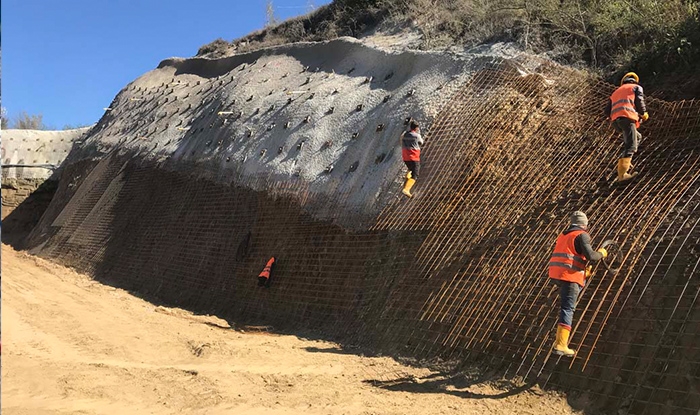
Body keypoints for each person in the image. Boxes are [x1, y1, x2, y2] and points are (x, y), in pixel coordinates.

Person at [548, 211, 608, 357]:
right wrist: (602, 253)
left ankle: (559, 342)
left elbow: (571, 256)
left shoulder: (564, 235)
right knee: (568, 308)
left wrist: (584, 272)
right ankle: (561, 345)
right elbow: (591, 256)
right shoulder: (582, 235)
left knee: (565, 307)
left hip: (557, 275)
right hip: (569, 277)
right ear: (584, 223)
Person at [604, 72, 649, 182]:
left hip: (617, 121)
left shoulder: (615, 92)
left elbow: (606, 111)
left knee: (637, 137)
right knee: (631, 145)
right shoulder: (636, 87)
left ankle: (626, 161)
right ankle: (622, 174)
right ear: (634, 81)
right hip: (627, 118)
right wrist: (643, 114)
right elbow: (639, 102)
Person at [400, 120, 424, 198]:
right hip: (413, 157)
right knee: (415, 174)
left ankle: (406, 182)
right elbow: (421, 142)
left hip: (405, 157)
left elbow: (401, 141)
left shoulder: (405, 134)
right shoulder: (416, 136)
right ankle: (406, 189)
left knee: (410, 169)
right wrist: (418, 134)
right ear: (417, 128)